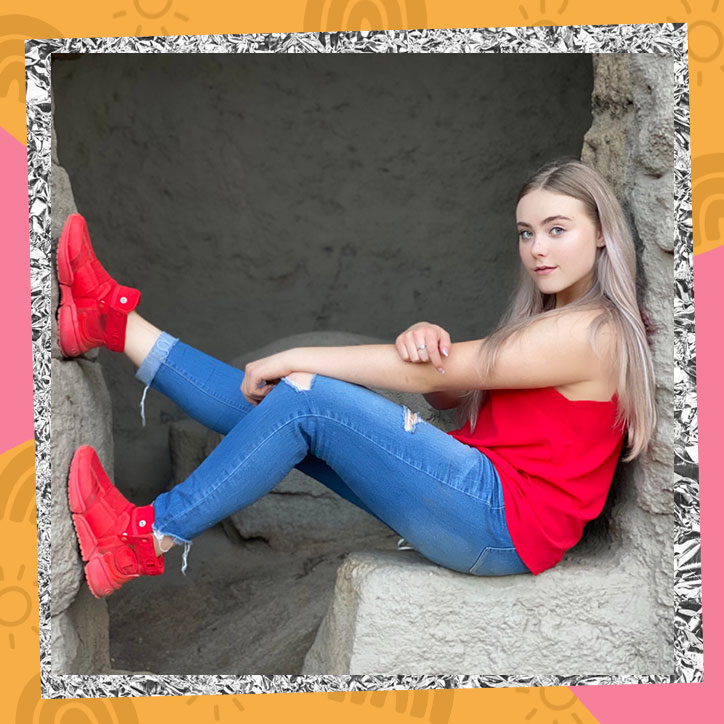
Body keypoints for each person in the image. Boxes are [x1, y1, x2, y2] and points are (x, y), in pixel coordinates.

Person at [58, 159, 655, 599]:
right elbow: (451, 391)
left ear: (601, 232)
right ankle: (111, 323)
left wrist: (300, 356)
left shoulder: (593, 332)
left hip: (501, 520)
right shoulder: (552, 319)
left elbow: (439, 375)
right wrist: (430, 345)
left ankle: (141, 538)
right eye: (526, 233)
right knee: (274, 411)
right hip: (479, 497)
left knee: (304, 397)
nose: (537, 249)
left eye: (557, 229)